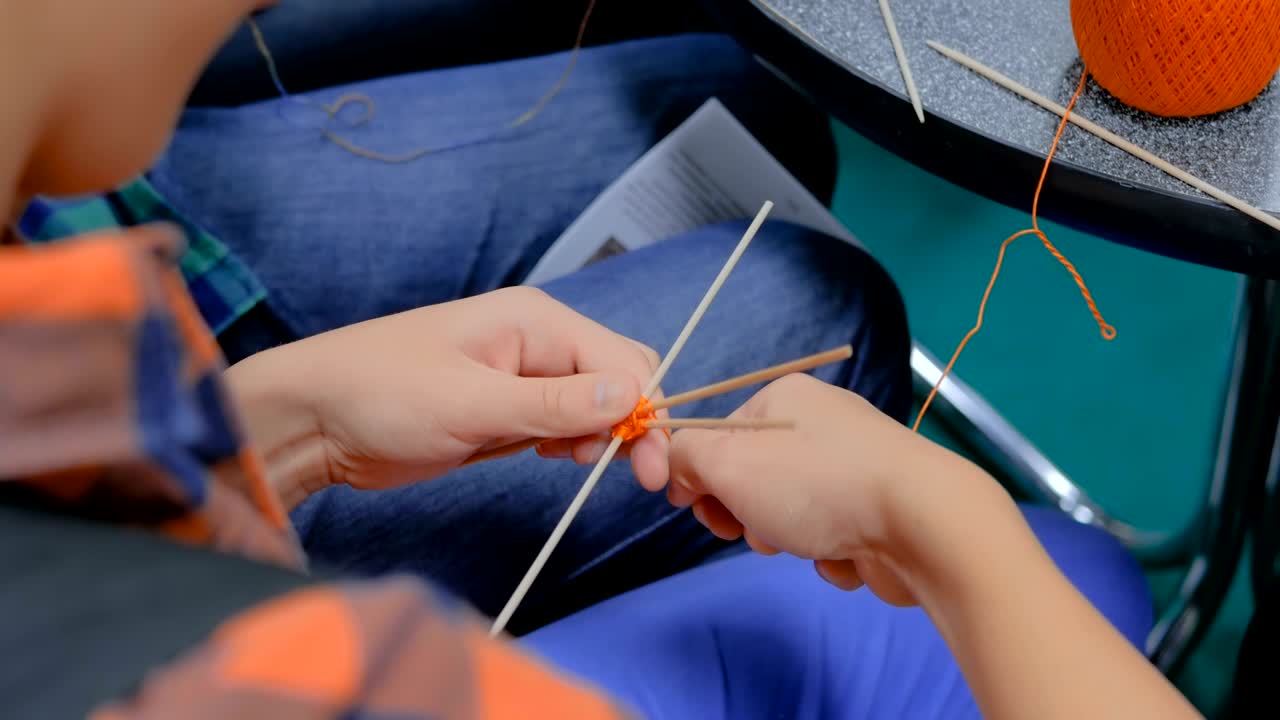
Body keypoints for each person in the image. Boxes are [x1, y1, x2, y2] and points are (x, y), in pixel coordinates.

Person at [0, 1, 1199, 718]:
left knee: (740, 130)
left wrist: (290, 422)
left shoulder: (58, 367)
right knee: (1079, 580)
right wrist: (947, 530)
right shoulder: (354, 680)